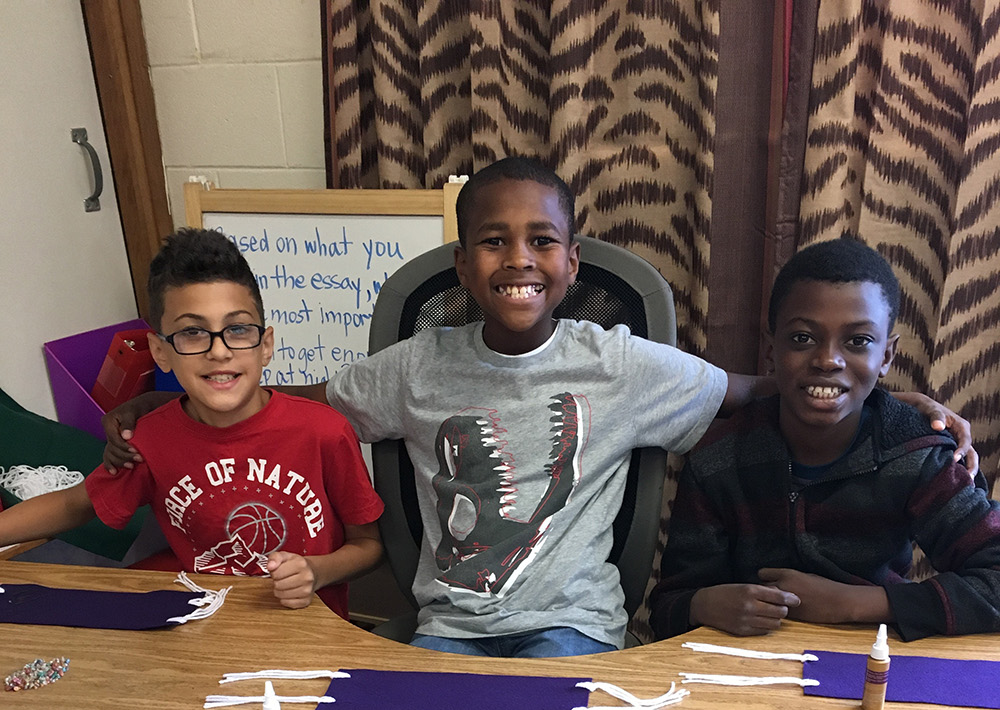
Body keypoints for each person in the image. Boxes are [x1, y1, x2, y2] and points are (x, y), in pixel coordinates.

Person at [103, 162, 976, 655]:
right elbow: (303, 401)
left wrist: (892, 403)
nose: (517, 259)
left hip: (572, 627)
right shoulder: (413, 366)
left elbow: (764, 385)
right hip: (446, 624)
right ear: (460, 264)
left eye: (541, 241)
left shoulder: (620, 362)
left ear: (571, 261)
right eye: (492, 240)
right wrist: (171, 392)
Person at [2, 228, 383, 616]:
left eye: (237, 329)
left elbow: (369, 547)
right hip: (202, 624)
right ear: (160, 352)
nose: (219, 351)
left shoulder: (324, 431)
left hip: (307, 630)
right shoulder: (150, 438)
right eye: (192, 333)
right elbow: (74, 504)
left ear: (265, 345)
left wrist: (316, 571)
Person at [649, 236, 1000, 641]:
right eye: (803, 338)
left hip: (877, 655)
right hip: (744, 665)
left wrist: (853, 603)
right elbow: (668, 609)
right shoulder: (719, 460)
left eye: (857, 342)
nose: (827, 360)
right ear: (771, 349)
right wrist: (702, 604)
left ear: (886, 356)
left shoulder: (916, 455)